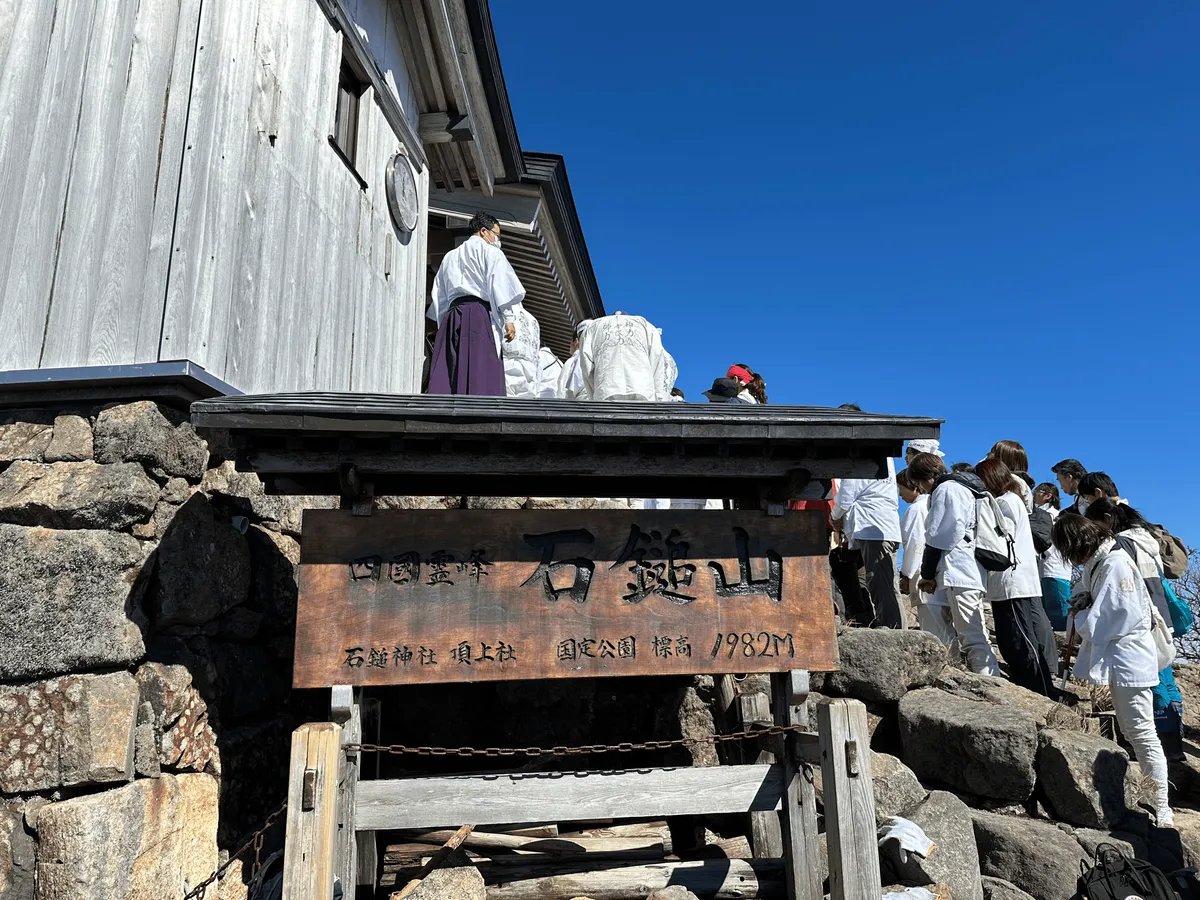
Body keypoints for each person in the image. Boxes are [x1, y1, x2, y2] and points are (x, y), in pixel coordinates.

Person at [1052, 514, 1173, 826]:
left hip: (1129, 657)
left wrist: (1081, 616)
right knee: (1135, 731)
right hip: (1124, 657)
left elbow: (1118, 613)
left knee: (1142, 732)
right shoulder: (1104, 562)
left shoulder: (1114, 563)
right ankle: (1153, 799)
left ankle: (1161, 806)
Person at [1086, 498, 1186, 760]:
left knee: (1154, 686)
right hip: (1160, 614)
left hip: (1144, 620)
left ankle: (1161, 748)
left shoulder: (1121, 544)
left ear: (1107, 519)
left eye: (1093, 524)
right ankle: (1174, 744)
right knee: (1166, 680)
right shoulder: (1146, 538)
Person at [910, 452, 1001, 676]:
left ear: (927, 476)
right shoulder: (965, 487)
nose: (920, 488)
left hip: (960, 569)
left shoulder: (947, 489)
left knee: (972, 636)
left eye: (919, 482)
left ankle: (991, 683)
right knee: (972, 633)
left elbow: (939, 535)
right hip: (967, 568)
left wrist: (927, 573)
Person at [975, 460, 1058, 696]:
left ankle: (1039, 690)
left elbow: (1001, 538)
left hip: (1013, 581)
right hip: (1010, 581)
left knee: (1022, 640)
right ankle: (1033, 686)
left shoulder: (1005, 502)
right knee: (1013, 639)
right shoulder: (1011, 499)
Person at [427, 212, 524, 395]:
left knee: (450, 370)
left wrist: (442, 323)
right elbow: (499, 285)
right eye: (496, 235)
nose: (497, 240)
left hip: (452, 314)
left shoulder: (449, 257)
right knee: (480, 371)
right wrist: (509, 319)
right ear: (483, 231)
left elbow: (439, 294)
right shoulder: (492, 252)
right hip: (478, 314)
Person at [830, 455, 907, 629]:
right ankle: (898, 628)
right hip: (886, 525)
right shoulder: (886, 460)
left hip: (872, 528)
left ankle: (891, 629)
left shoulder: (862, 459)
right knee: (889, 586)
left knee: (879, 586)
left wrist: (834, 516)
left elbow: (847, 494)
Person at [898, 468, 956, 647]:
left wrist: (906, 574)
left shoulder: (916, 509)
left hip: (921, 571)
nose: (900, 494)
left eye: (901, 488)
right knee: (945, 623)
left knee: (933, 624)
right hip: (938, 570)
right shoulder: (930, 504)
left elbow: (915, 544)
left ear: (913, 486)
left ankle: (946, 662)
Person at [578, 312, 670, 402]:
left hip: (606, 389)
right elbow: (656, 359)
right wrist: (658, 396)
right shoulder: (646, 325)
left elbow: (586, 366)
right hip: (643, 389)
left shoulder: (592, 327)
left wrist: (594, 394)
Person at [1034, 482, 1073, 630]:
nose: (1034, 495)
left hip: (1055, 569)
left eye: (1038, 491)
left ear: (1048, 496)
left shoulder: (1052, 516)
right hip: (1046, 569)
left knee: (1059, 614)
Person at [501, 303, 541, 398]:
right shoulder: (534, 321)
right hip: (530, 374)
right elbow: (538, 361)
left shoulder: (502, 313)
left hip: (507, 368)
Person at [557, 321, 592, 400]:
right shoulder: (600, 360)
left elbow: (562, 392)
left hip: (580, 407)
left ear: (576, 341)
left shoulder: (573, 360)